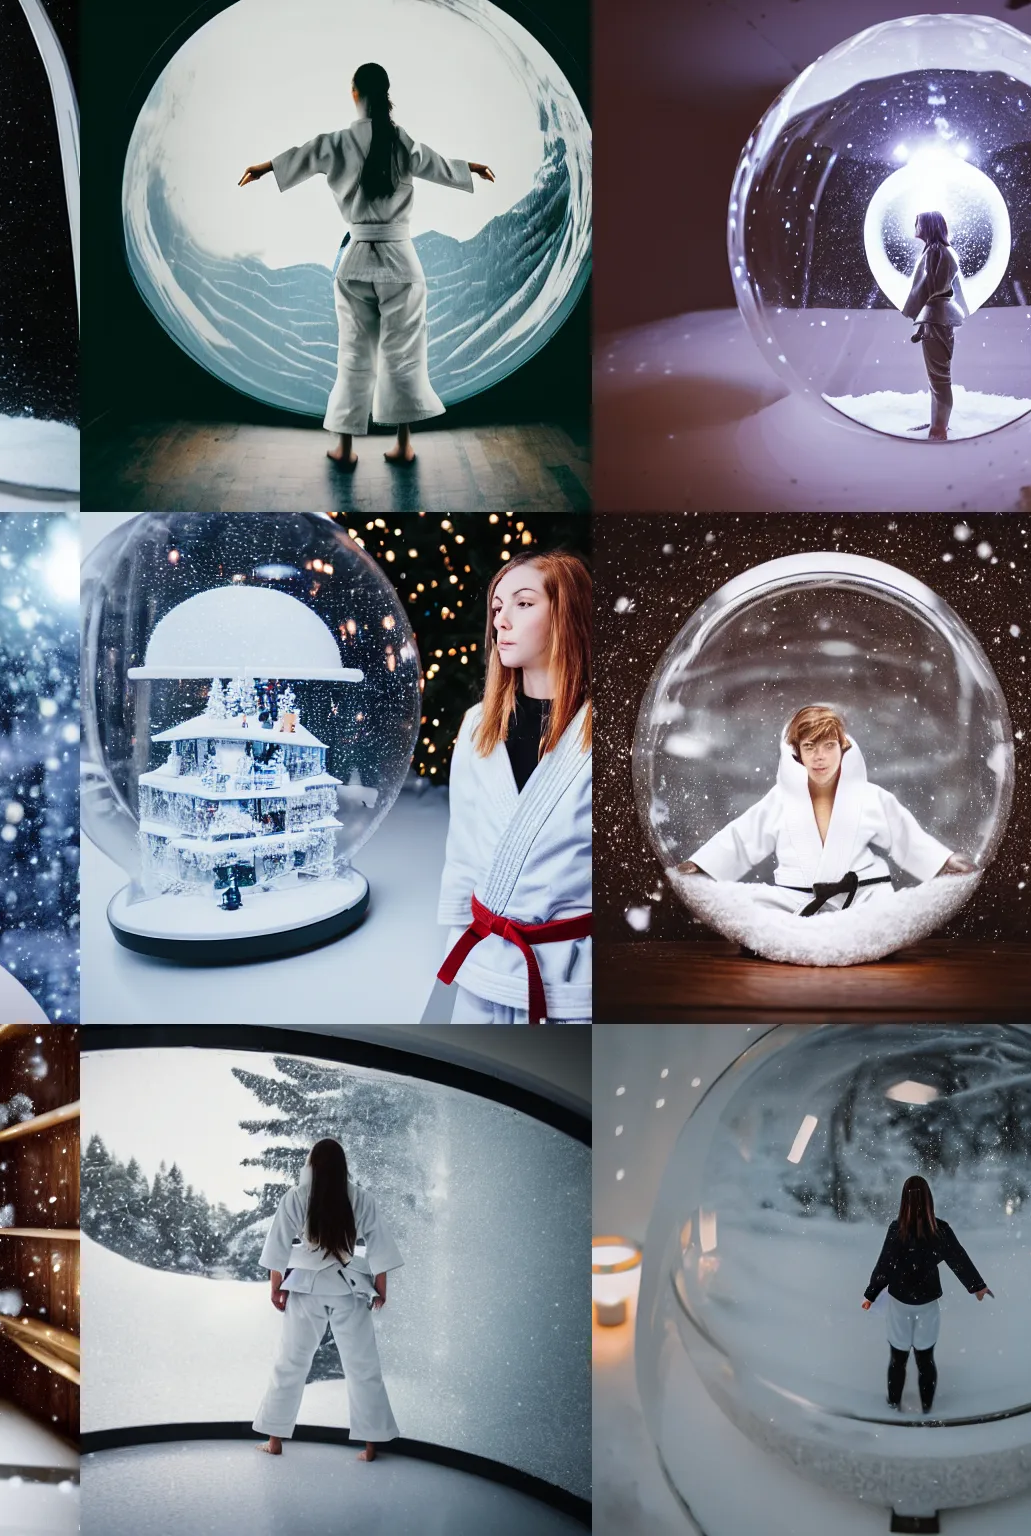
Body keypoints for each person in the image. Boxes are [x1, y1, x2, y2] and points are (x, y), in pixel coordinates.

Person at [239, 62, 494, 469]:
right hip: (400, 260)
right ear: (387, 93)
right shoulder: (400, 141)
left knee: (353, 354)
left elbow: (304, 155)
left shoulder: (338, 142)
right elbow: (436, 164)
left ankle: (343, 448)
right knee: (404, 353)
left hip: (355, 258)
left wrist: (265, 167)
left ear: (355, 93)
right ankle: (404, 445)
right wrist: (472, 169)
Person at [437, 549, 591, 1024]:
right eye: (497, 607)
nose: (501, 620)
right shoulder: (477, 724)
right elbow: (463, 851)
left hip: (571, 979)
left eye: (523, 604)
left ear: (565, 614)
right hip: (484, 969)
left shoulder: (603, 735)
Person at [675, 704, 974, 914]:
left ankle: (872, 930)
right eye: (810, 747)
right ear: (796, 752)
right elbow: (741, 839)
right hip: (795, 897)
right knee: (750, 907)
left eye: (829, 745)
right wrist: (703, 864)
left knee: (890, 911)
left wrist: (942, 861)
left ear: (842, 748)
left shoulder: (868, 797)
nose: (820, 757)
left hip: (861, 894)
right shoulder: (780, 800)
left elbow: (905, 837)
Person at [253, 1138, 402, 1462]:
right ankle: (371, 1444)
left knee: (290, 1362)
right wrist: (380, 1286)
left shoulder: (297, 1197)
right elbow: (378, 1243)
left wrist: (276, 1287)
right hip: (348, 1287)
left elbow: (278, 1244)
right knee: (362, 1366)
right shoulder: (360, 1198)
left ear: (312, 1164)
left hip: (306, 1287)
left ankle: (275, 1439)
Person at [861, 1175, 993, 1414]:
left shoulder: (898, 1230)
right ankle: (926, 1407)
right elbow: (958, 1259)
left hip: (901, 1304)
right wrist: (977, 1286)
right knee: (925, 1360)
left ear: (903, 1201)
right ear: (929, 1200)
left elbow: (884, 1266)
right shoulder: (938, 1231)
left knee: (898, 1359)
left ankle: (893, 1406)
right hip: (926, 1305)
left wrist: (871, 1294)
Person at [901, 210, 967, 443]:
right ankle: (938, 423)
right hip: (936, 317)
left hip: (936, 317)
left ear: (928, 226)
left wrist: (913, 307)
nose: (915, 225)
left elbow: (932, 286)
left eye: (918, 222)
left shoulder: (937, 252)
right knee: (936, 379)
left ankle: (939, 429)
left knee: (939, 378)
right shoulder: (936, 251)